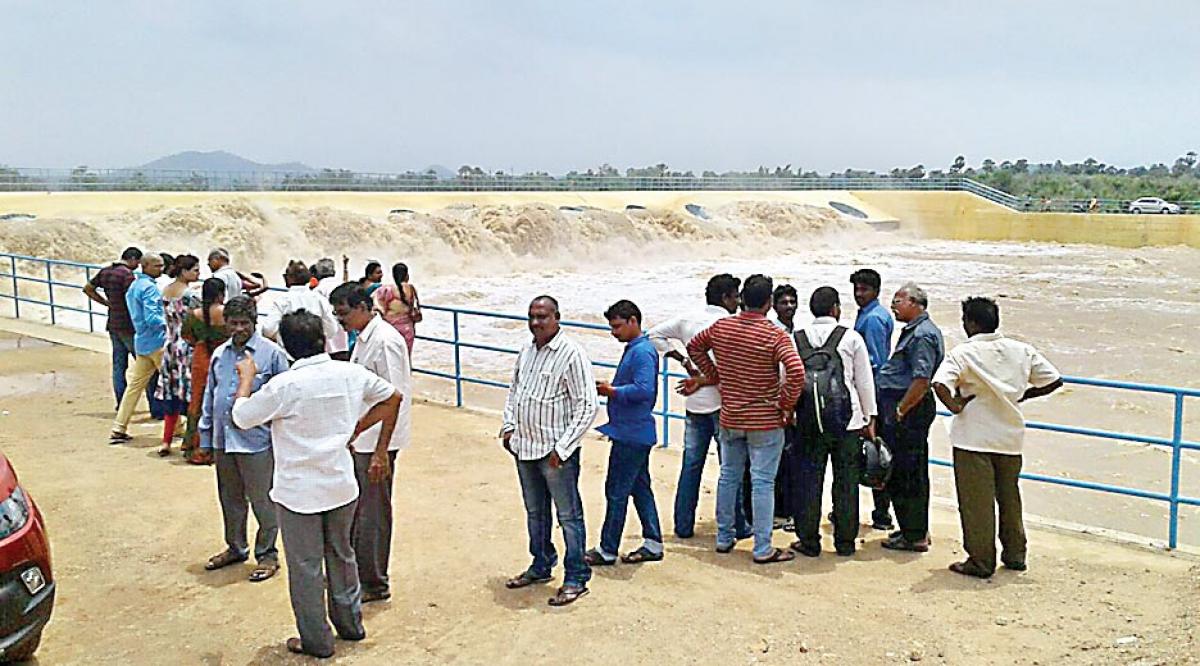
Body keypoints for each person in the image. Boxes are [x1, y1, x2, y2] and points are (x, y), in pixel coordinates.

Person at [231, 310, 402, 658]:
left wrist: (246, 380)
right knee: (342, 555)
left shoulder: (284, 385)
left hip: (299, 492)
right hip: (340, 483)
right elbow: (393, 397)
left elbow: (242, 417)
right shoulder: (350, 373)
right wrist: (358, 427)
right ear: (323, 340)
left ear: (288, 347)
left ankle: (317, 640)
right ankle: (351, 625)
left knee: (306, 567)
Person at [933, 297, 1062, 578]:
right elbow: (1053, 380)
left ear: (971, 323)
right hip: (1009, 436)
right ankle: (1015, 553)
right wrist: (1023, 396)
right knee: (1009, 497)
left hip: (973, 438)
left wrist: (955, 406)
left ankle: (980, 560)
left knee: (976, 503)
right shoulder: (1021, 350)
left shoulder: (963, 353)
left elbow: (939, 383)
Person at [685, 274, 806, 564]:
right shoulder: (775, 334)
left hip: (731, 416)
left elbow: (694, 346)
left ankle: (725, 536)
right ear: (768, 303)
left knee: (729, 476)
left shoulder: (722, 326)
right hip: (765, 419)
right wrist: (786, 404)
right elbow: (796, 371)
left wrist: (711, 376)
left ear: (741, 300)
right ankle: (762, 547)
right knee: (762, 482)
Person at [500, 296, 597, 607]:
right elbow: (515, 391)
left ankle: (576, 577)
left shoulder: (571, 354)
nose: (536, 322)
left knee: (568, 516)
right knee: (535, 512)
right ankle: (541, 564)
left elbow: (587, 405)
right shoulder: (526, 350)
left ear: (557, 317)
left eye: (542, 316)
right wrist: (508, 427)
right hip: (524, 447)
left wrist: (564, 447)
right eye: (531, 316)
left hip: (555, 453)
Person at [647, 274, 749, 539]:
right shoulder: (730, 324)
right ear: (726, 298)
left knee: (691, 466)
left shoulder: (687, 319)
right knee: (730, 468)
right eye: (735, 296)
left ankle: (683, 525)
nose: (738, 302)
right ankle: (736, 524)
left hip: (695, 404)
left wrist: (684, 362)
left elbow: (654, 334)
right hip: (722, 405)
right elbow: (732, 370)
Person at [329, 282, 412, 603]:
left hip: (379, 442)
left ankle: (375, 583)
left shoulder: (385, 342)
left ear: (364, 307)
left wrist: (380, 452)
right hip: (365, 440)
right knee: (362, 510)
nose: (341, 321)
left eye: (345, 313)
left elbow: (395, 398)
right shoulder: (364, 339)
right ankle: (361, 576)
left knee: (374, 514)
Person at [199, 296, 289, 583]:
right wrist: (205, 436)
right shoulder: (219, 355)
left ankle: (267, 554)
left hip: (257, 442)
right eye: (232, 323)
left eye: (244, 324)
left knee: (264, 500)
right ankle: (236, 547)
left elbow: (285, 400)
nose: (238, 329)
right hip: (224, 441)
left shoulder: (272, 355)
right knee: (230, 498)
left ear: (254, 323)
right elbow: (210, 396)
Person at [788, 286, 877, 557]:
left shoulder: (796, 338)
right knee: (846, 482)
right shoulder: (850, 338)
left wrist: (788, 412)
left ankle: (809, 541)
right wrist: (869, 417)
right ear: (836, 308)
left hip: (808, 420)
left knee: (808, 482)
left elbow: (788, 379)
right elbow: (863, 381)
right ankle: (845, 542)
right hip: (846, 422)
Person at [585, 300, 664, 567]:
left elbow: (645, 390)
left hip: (631, 433)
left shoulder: (642, 352)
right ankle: (653, 542)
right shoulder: (638, 349)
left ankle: (608, 549)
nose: (614, 332)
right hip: (634, 431)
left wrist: (612, 391)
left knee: (616, 491)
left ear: (633, 321)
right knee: (640, 488)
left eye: (617, 326)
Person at [877, 282, 944, 552]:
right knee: (906, 470)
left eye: (898, 300)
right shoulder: (916, 331)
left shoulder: (922, 336)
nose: (894, 305)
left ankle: (914, 535)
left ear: (916, 303)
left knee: (909, 472)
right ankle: (910, 528)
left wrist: (900, 410)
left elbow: (921, 380)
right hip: (906, 405)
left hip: (909, 408)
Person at [851, 268, 896, 531]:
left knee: (874, 454)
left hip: (874, 395)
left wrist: (871, 410)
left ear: (876, 291)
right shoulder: (870, 314)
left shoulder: (874, 320)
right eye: (856, 289)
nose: (859, 294)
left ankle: (881, 513)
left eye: (864, 289)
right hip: (872, 394)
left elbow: (875, 363)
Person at [109, 253, 167, 443]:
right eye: (158, 266)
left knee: (134, 387)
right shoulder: (150, 289)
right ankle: (176, 427)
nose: (162, 269)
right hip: (157, 343)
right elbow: (152, 318)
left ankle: (119, 426)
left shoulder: (135, 285)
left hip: (141, 341)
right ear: (146, 266)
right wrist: (169, 321)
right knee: (169, 385)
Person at [83, 246, 142, 410]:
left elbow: (88, 289)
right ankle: (155, 406)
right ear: (132, 259)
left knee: (119, 366)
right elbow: (134, 299)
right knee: (145, 365)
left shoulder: (106, 271)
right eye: (137, 262)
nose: (138, 266)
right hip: (129, 325)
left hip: (113, 323)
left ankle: (121, 403)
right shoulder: (127, 275)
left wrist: (107, 303)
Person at [154, 254, 201, 457]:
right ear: (184, 271)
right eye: (195, 270)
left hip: (170, 345)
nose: (198, 273)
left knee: (170, 394)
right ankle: (189, 441)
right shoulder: (189, 295)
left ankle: (166, 441)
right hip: (186, 348)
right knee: (191, 395)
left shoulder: (166, 291)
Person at [181, 278, 228, 465]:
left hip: (201, 358)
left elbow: (186, 335)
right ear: (220, 294)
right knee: (221, 399)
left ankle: (194, 445)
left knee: (198, 400)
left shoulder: (194, 314)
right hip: (223, 358)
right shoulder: (226, 313)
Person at [770, 283, 800, 530]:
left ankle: (789, 509)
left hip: (793, 403)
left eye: (792, 302)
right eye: (783, 302)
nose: (788, 306)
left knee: (792, 460)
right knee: (779, 460)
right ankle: (780, 511)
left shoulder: (797, 332)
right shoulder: (773, 332)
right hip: (778, 405)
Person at [261, 261, 339, 356]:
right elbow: (332, 330)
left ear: (288, 278)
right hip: (316, 355)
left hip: (289, 356)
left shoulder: (283, 301)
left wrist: (280, 336)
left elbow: (268, 329)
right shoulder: (319, 299)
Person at [374, 262, 421, 354]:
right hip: (408, 328)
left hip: (391, 328)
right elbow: (416, 307)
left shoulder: (386, 290)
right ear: (407, 275)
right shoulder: (411, 289)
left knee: (392, 357)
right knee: (405, 358)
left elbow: (380, 308)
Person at [312, 258, 351, 360]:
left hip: (326, 342)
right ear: (333, 271)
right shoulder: (342, 285)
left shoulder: (317, 290)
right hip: (344, 339)